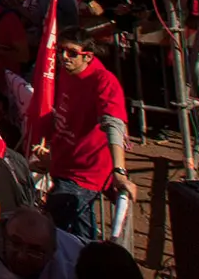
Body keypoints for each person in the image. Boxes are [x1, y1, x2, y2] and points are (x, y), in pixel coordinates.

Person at [38, 28, 129, 242]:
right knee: (71, 228)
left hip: (86, 171)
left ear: (88, 56)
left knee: (63, 229)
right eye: (60, 51)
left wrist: (119, 170)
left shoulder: (103, 80)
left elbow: (114, 123)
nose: (63, 57)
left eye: (71, 53)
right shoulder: (66, 72)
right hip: (64, 162)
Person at [0, 207, 84, 279]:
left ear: (52, 250)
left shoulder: (74, 260)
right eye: (15, 243)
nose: (21, 256)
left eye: (34, 250)